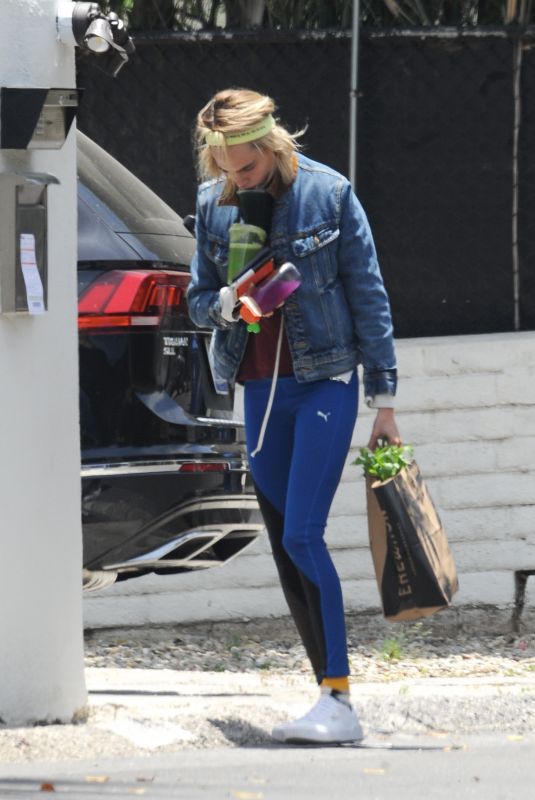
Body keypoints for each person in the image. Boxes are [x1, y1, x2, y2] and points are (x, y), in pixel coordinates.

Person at [187, 88, 401, 745]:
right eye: (222, 169)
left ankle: (339, 701)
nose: (234, 180)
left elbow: (367, 290)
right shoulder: (212, 205)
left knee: (304, 533)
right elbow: (196, 299)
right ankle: (324, 689)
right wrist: (224, 302)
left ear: (273, 145)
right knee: (285, 542)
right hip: (259, 390)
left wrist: (383, 400)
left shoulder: (327, 194)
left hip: (322, 382)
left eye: (245, 168)